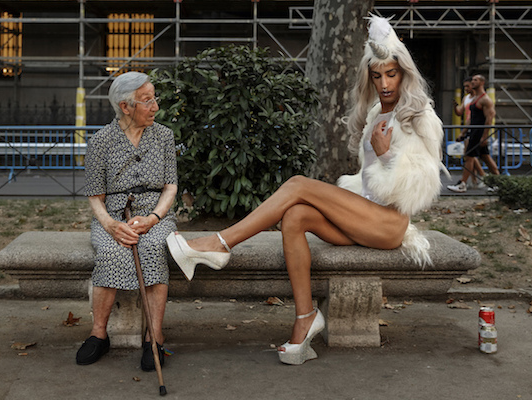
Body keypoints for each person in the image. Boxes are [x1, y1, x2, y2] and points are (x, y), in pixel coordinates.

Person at [166, 15, 446, 365]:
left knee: (298, 184)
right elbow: (368, 176)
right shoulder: (377, 113)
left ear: (404, 73)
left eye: (392, 74)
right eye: (378, 76)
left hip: (390, 223)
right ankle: (304, 319)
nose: (385, 83)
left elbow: (423, 183)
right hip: (366, 214)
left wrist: (388, 155)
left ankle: (218, 244)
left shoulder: (420, 116)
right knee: (295, 217)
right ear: (369, 77)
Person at [77, 71, 178, 371]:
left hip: (155, 214)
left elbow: (170, 186)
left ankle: (154, 338)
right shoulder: (101, 141)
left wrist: (154, 218)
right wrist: (110, 225)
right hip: (114, 216)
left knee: (154, 249)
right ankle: (99, 334)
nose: (155, 107)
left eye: (154, 99)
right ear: (125, 106)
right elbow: (95, 195)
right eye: (147, 101)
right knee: (110, 252)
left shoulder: (164, 136)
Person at [447, 74, 499, 193]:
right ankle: (498, 183)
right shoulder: (474, 99)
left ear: (481, 83)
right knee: (485, 158)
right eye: (473, 80)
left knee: (469, 157)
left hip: (479, 133)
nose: (473, 82)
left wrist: (484, 136)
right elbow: (471, 119)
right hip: (474, 131)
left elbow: (489, 119)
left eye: (475, 80)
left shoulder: (485, 100)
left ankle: (463, 184)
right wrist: (464, 132)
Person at [453, 77, 486, 189]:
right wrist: (455, 107)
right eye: (465, 86)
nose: (466, 88)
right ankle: (475, 179)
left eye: (468, 86)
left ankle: (480, 178)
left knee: (470, 155)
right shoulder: (466, 98)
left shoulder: (479, 99)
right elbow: (460, 111)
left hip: (474, 128)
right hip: (469, 128)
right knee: (471, 156)